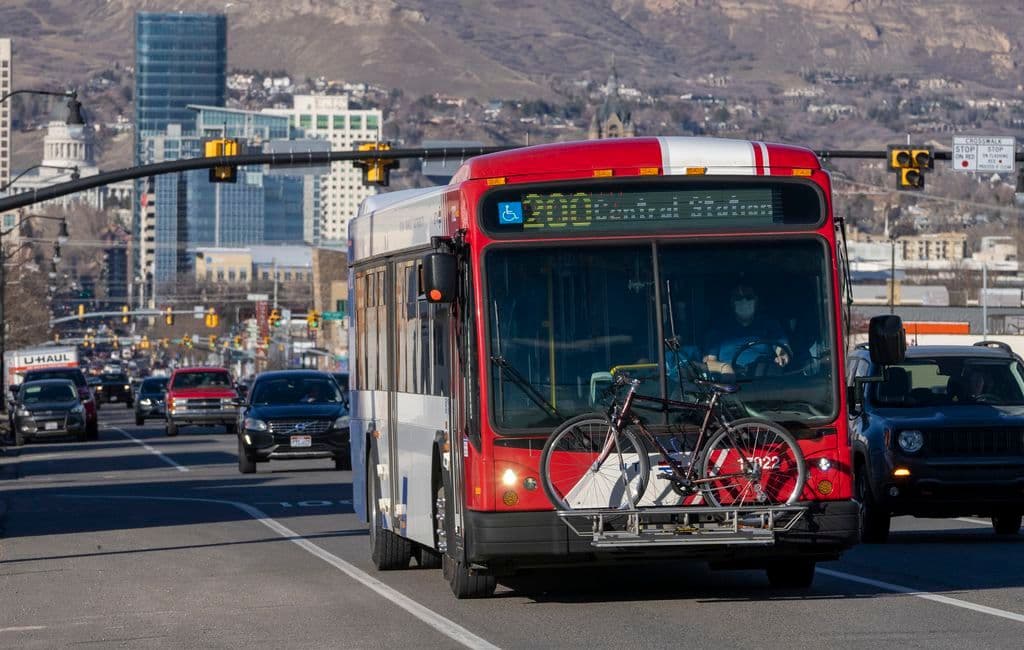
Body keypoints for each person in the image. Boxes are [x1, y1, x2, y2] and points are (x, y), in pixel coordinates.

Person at [702, 283, 790, 377]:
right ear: (732, 302)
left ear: (756, 300)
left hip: (765, 381)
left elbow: (783, 348)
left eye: (748, 297)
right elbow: (709, 362)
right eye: (738, 298)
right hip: (730, 383)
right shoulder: (719, 327)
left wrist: (783, 356)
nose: (744, 301)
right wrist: (724, 367)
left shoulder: (769, 324)